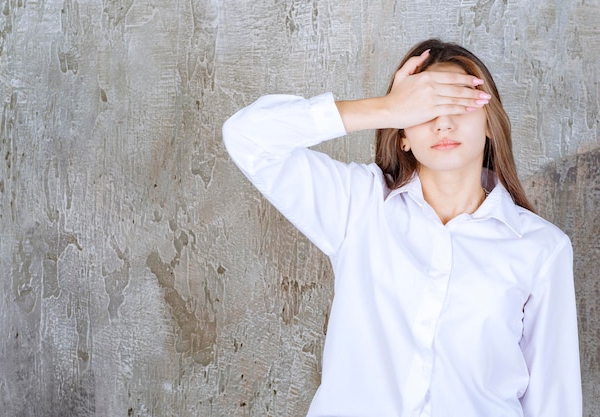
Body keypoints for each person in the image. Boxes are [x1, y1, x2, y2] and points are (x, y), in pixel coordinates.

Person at [222, 39, 582, 417]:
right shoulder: (357, 205)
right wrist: (388, 108)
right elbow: (247, 137)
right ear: (403, 135)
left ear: (490, 123)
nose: (443, 122)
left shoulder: (541, 248)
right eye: (425, 108)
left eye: (459, 102)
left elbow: (554, 401)